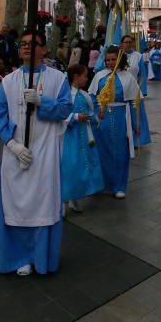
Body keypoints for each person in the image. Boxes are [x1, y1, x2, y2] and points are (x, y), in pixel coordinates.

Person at [0, 29, 73, 275]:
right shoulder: (8, 82)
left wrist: (42, 101)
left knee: (42, 204)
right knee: (16, 204)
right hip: (17, 155)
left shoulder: (58, 79)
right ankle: (17, 258)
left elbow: (64, 110)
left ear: (44, 49)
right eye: (23, 44)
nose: (27, 47)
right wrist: (12, 144)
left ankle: (40, 257)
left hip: (45, 153)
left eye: (33, 44)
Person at [89, 46, 140, 198]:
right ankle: (102, 184)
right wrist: (95, 111)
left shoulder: (128, 77)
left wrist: (136, 124)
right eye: (108, 60)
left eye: (113, 59)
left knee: (120, 152)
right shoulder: (99, 76)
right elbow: (92, 96)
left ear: (120, 59)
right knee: (101, 151)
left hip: (121, 118)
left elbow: (134, 102)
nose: (111, 63)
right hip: (102, 118)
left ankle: (119, 186)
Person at [61, 64, 104, 213]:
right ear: (75, 76)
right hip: (69, 138)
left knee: (80, 167)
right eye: (84, 75)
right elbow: (60, 116)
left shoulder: (85, 95)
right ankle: (63, 202)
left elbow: (90, 113)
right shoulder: (65, 95)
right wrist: (75, 117)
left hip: (85, 138)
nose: (86, 78)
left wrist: (96, 117)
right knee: (69, 167)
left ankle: (75, 197)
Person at [121, 35, 151, 146]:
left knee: (137, 115)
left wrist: (142, 90)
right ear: (121, 44)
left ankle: (138, 139)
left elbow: (142, 75)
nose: (128, 44)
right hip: (121, 90)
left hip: (134, 89)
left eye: (130, 42)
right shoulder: (118, 56)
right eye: (126, 42)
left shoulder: (138, 56)